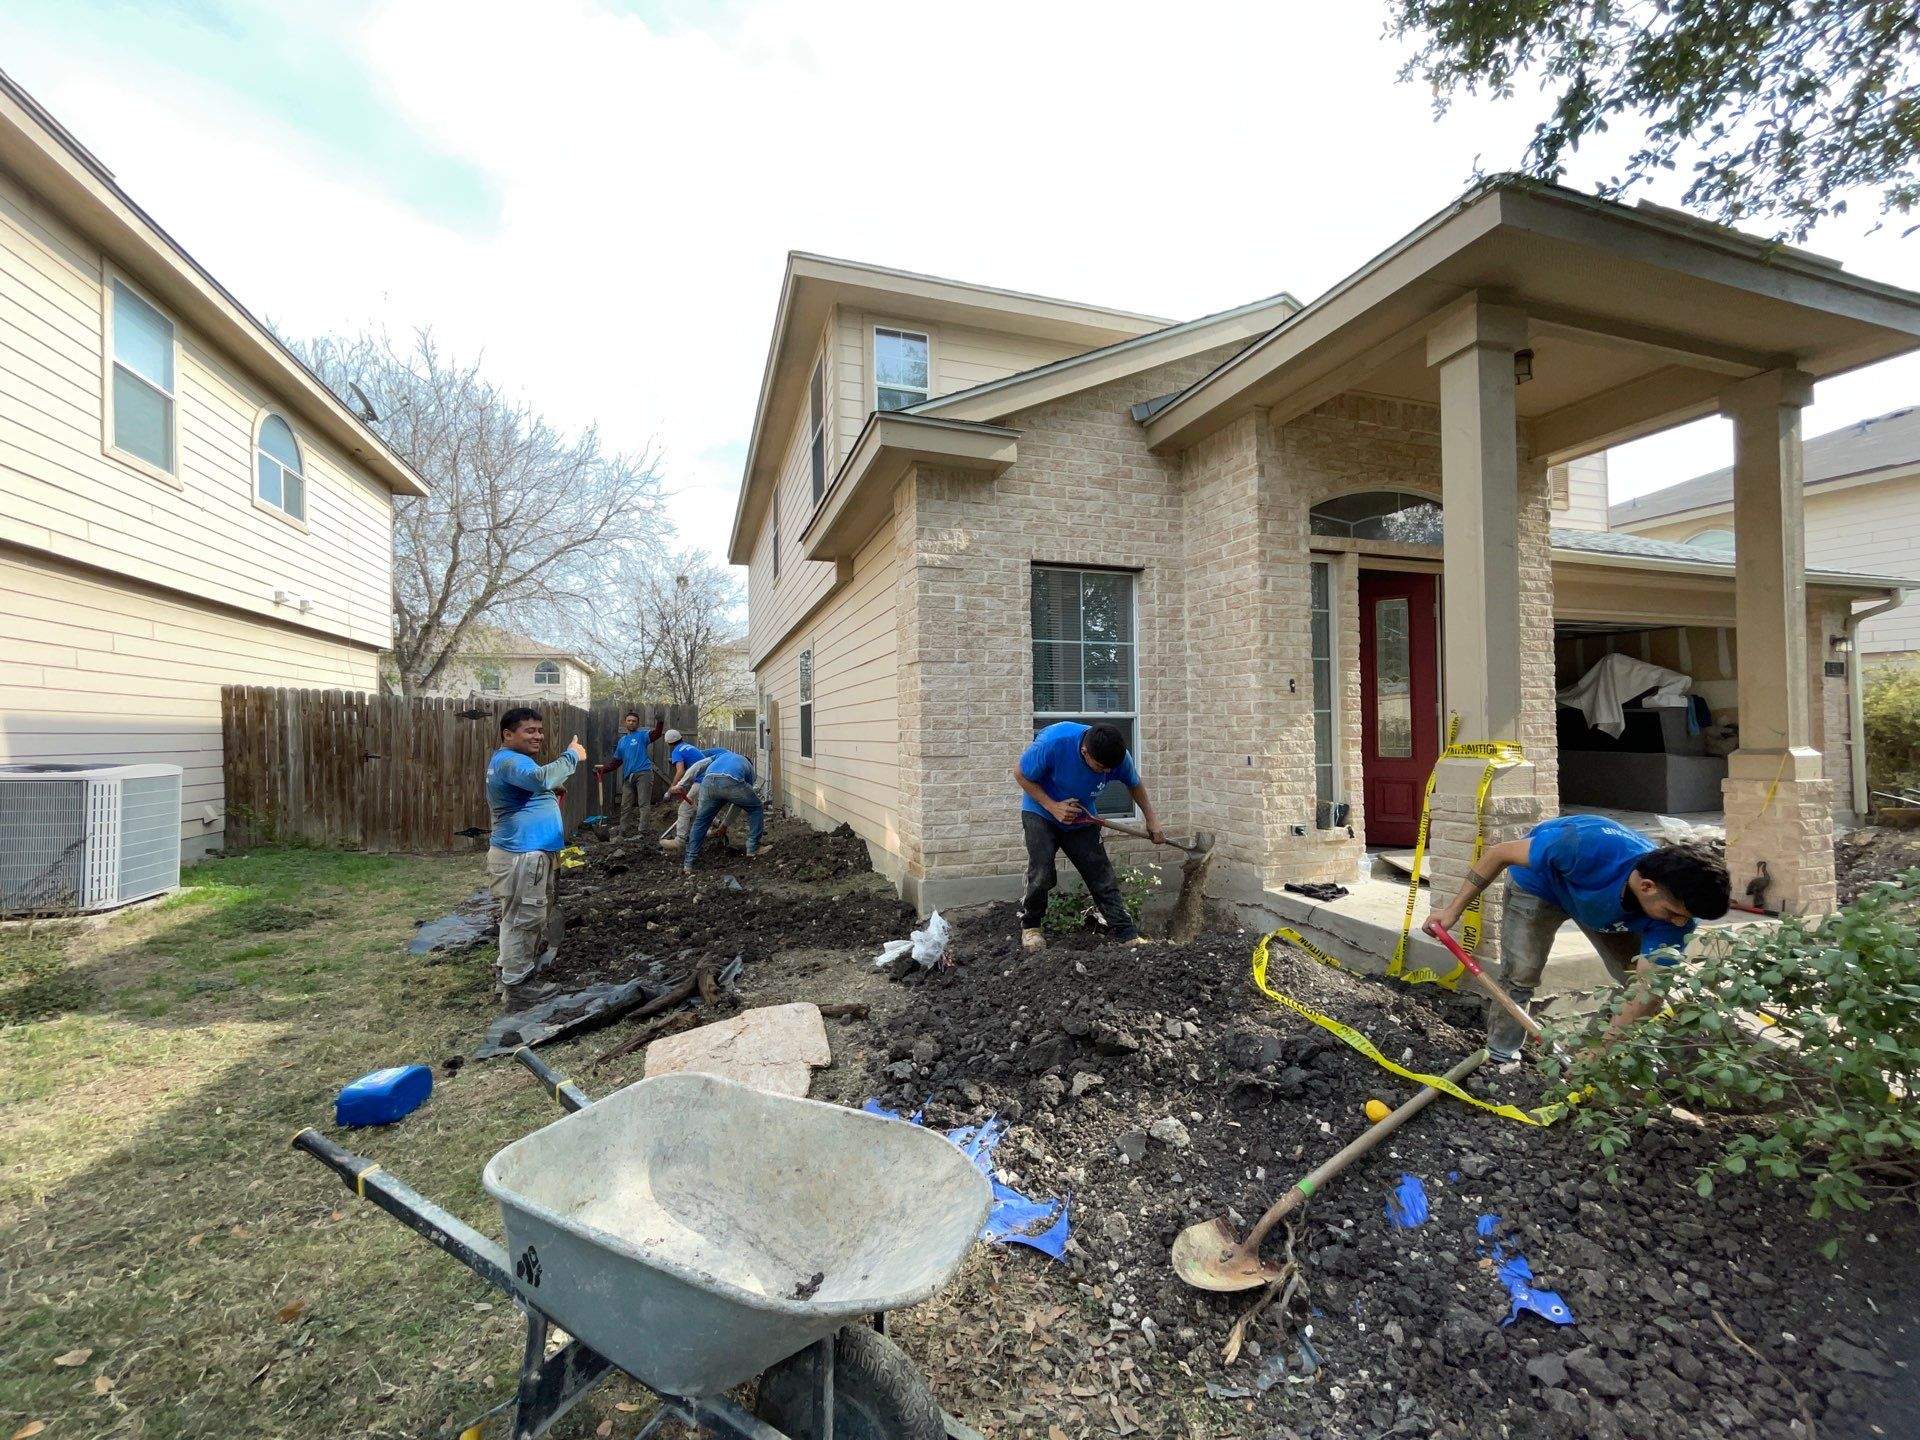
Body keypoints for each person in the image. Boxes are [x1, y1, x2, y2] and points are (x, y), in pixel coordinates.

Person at [1424, 814, 1730, 1063]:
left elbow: (1648, 991)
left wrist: (1599, 1051)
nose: (1680, 923)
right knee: (1521, 973)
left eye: (1686, 917)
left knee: (1632, 981)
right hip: (1541, 888)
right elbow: (1500, 853)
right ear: (1647, 886)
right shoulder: (1581, 845)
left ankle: (1586, 1057)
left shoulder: (1676, 916)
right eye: (1673, 913)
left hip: (1602, 908)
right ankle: (1500, 1055)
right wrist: (1452, 911)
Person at [1015, 721, 1164, 953]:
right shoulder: (1054, 742)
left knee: (1100, 873)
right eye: (1101, 767)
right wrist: (1053, 806)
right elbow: (1021, 775)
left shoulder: (1118, 757)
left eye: (1109, 769)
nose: (1106, 773)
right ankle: (1031, 927)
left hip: (1081, 815)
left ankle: (1126, 933)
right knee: (1041, 872)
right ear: (1085, 751)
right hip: (1041, 812)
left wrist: (1151, 819)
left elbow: (1134, 784)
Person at [485, 708, 585, 987]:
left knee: (519, 916)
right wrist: (572, 755)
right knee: (525, 918)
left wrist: (549, 791)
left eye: (540, 731)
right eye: (529, 730)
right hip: (523, 855)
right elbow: (541, 778)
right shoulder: (510, 761)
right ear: (508, 734)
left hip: (528, 853)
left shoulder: (511, 761)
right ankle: (517, 984)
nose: (538, 736)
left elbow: (535, 784)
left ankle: (509, 968)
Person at [667, 748, 765, 874]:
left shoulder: (722, 755)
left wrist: (681, 784)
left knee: (701, 822)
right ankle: (753, 849)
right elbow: (738, 804)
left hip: (708, 782)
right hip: (731, 782)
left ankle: (688, 864)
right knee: (756, 808)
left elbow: (698, 766)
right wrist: (725, 825)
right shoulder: (749, 768)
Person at [662, 728, 731, 852]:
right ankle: (716, 826)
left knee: (685, 809)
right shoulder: (689, 747)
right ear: (681, 738)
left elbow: (680, 771)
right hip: (712, 778)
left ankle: (679, 841)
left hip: (702, 781)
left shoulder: (676, 751)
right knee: (697, 807)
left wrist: (671, 789)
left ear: (668, 743)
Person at [593, 710, 653, 838]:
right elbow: (616, 763)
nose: (631, 723)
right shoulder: (622, 741)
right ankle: (623, 831)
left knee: (643, 803)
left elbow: (657, 734)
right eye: (629, 721)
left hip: (643, 772)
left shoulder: (642, 736)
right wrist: (602, 770)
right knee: (625, 805)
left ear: (638, 724)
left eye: (634, 721)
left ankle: (643, 831)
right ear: (625, 722)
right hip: (628, 776)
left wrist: (660, 722)